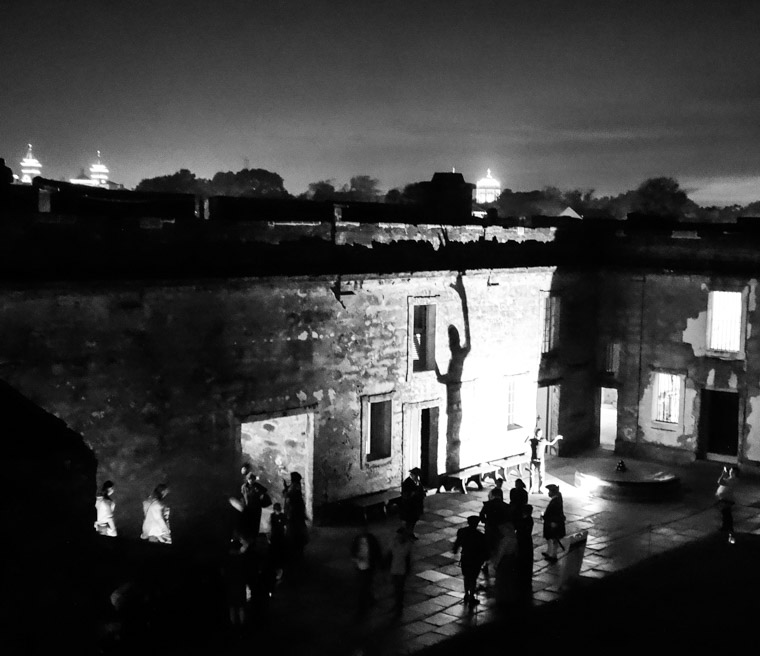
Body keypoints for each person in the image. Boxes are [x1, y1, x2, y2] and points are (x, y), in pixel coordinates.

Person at [452, 516, 488, 606]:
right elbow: (484, 549)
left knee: (466, 576)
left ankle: (466, 594)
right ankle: (471, 596)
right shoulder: (480, 536)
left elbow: (457, 543)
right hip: (475, 559)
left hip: (465, 557)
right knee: (473, 578)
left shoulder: (462, 532)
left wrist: (455, 549)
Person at [350, 520, 382, 616]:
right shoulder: (357, 540)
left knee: (364, 586)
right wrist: (356, 559)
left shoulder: (371, 539)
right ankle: (368, 600)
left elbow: (377, 551)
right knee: (364, 586)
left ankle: (363, 607)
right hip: (360, 566)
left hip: (369, 566)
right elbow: (353, 552)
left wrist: (379, 563)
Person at [479, 487, 511, 578]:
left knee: (488, 546)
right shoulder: (505, 506)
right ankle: (498, 564)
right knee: (499, 546)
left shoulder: (488, 504)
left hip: (490, 528)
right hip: (501, 529)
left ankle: (486, 563)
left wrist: (484, 521)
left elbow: (481, 515)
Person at [240, 464, 272, 545]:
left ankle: (254, 540)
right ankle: (248, 540)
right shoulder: (244, 487)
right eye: (249, 479)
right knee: (247, 524)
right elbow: (242, 496)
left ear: (254, 479)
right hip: (247, 508)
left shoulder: (257, 486)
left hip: (256, 508)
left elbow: (265, 490)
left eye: (252, 479)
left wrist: (259, 494)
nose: (251, 480)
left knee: (255, 524)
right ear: (247, 479)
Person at [525, 429, 563, 493]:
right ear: (535, 433)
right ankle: (531, 489)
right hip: (533, 460)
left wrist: (556, 438)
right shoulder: (532, 440)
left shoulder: (543, 440)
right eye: (538, 433)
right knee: (532, 475)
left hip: (540, 460)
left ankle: (540, 489)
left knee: (541, 475)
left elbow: (551, 443)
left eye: (540, 433)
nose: (539, 434)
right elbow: (526, 442)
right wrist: (528, 437)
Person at [388, 526, 414, 617]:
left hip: (401, 570)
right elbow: (390, 552)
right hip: (394, 569)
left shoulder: (407, 545)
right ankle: (397, 604)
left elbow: (406, 557)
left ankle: (399, 605)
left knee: (400, 589)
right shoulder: (395, 543)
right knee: (396, 588)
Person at [284, 471, 308, 562]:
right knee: (297, 534)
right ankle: (297, 552)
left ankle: (296, 554)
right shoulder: (295, 486)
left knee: (294, 533)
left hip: (294, 514)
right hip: (295, 514)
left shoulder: (295, 487)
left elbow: (292, 498)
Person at [514, 503, 535, 600]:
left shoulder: (525, 520)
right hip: (526, 541)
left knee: (522, 559)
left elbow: (520, 529)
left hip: (523, 541)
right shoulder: (528, 520)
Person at [541, 484, 565, 562]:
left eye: (549, 491)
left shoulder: (555, 501)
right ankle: (549, 552)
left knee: (553, 539)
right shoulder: (557, 499)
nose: (548, 493)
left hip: (553, 523)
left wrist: (544, 516)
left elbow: (553, 513)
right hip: (552, 522)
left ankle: (553, 555)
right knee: (550, 538)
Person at [400, 467, 426, 537]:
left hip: (417, 504)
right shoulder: (407, 482)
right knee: (409, 520)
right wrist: (412, 493)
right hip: (409, 505)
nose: (417, 477)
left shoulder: (417, 482)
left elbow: (420, 490)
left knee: (414, 519)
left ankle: (410, 532)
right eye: (416, 475)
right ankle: (407, 533)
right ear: (412, 475)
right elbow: (405, 494)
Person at [716, 466, 738, 544]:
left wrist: (723, 473)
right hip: (726, 498)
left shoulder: (732, 480)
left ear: (734, 473)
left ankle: (727, 527)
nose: (730, 472)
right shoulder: (731, 479)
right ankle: (727, 527)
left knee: (726, 513)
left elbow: (720, 481)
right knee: (726, 513)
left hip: (727, 499)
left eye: (731, 471)